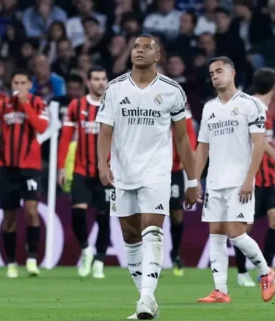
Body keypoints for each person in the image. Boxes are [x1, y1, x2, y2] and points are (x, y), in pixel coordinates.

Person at [96, 34, 198, 320]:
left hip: (157, 172)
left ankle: (144, 299)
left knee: (152, 230)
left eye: (147, 47)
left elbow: (182, 139)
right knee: (130, 236)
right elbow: (104, 131)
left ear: (158, 56)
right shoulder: (115, 88)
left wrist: (192, 180)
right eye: (136, 47)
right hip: (122, 172)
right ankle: (147, 297)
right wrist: (102, 166)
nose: (139, 51)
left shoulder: (172, 91)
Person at [195, 56, 275, 304]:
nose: (215, 76)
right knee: (216, 233)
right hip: (215, 181)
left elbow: (259, 144)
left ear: (232, 73)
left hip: (239, 180)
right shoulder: (209, 107)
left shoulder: (250, 105)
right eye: (211, 73)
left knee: (236, 234)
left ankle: (266, 272)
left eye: (219, 71)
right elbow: (202, 148)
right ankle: (220, 290)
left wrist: (249, 178)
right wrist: (195, 180)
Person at [235, 68, 275, 287]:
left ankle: (265, 270)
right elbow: (258, 139)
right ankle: (241, 273)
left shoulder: (269, 109)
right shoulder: (253, 107)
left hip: (270, 177)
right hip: (251, 176)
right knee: (244, 228)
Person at [57, 66, 112, 279]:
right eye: (96, 79)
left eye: (103, 78)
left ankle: (99, 261)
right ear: (88, 83)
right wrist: (61, 167)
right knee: (77, 214)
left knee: (104, 217)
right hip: (81, 169)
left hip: (106, 172)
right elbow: (65, 138)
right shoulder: (76, 106)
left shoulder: (114, 106)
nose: (100, 82)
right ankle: (86, 249)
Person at [0, 69, 49, 278]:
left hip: (30, 167)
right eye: (15, 82)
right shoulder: (3, 105)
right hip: (6, 167)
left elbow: (41, 127)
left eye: (23, 83)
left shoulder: (38, 103)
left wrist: (26, 103)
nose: (19, 86)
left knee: (31, 212)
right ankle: (11, 263)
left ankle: (32, 259)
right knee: (8, 218)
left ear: (30, 85)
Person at [169, 104, 197, 277]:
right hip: (151, 170)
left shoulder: (182, 111)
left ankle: (176, 252)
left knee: (176, 215)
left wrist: (193, 179)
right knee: (148, 216)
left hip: (174, 171)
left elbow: (190, 141)